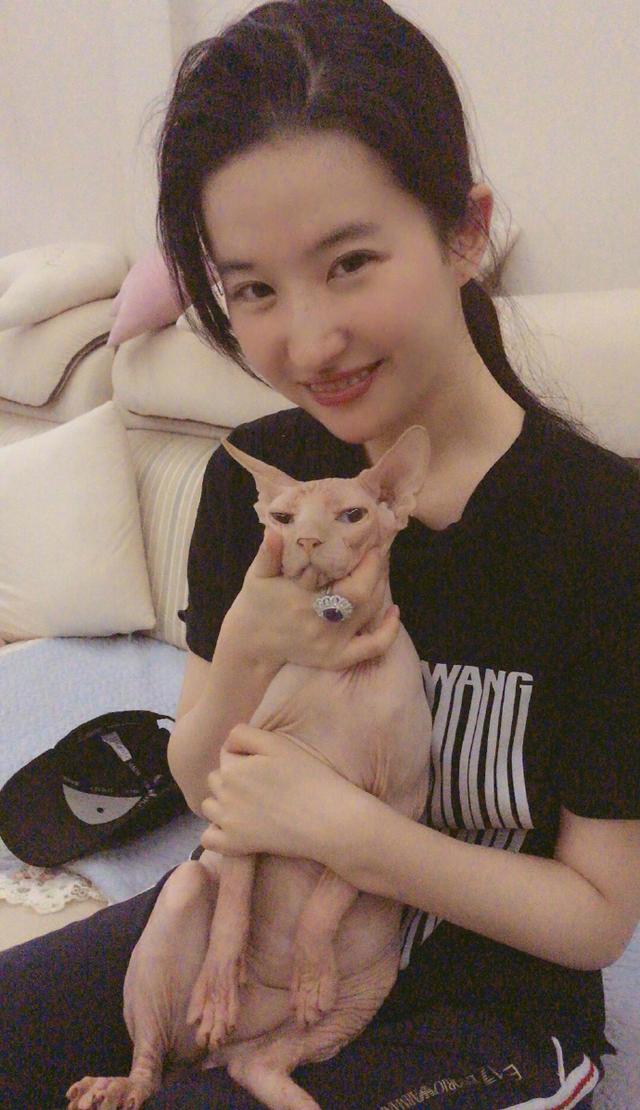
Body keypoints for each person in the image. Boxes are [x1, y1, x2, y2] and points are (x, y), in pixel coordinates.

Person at [1, 1, 638, 1107]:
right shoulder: (264, 486)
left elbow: (595, 920)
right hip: (249, 939)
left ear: (464, 231)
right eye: (252, 288)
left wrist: (352, 834)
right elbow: (207, 781)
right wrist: (248, 649)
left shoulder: (601, 531)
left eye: (349, 263)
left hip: (486, 1005)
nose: (307, 341)